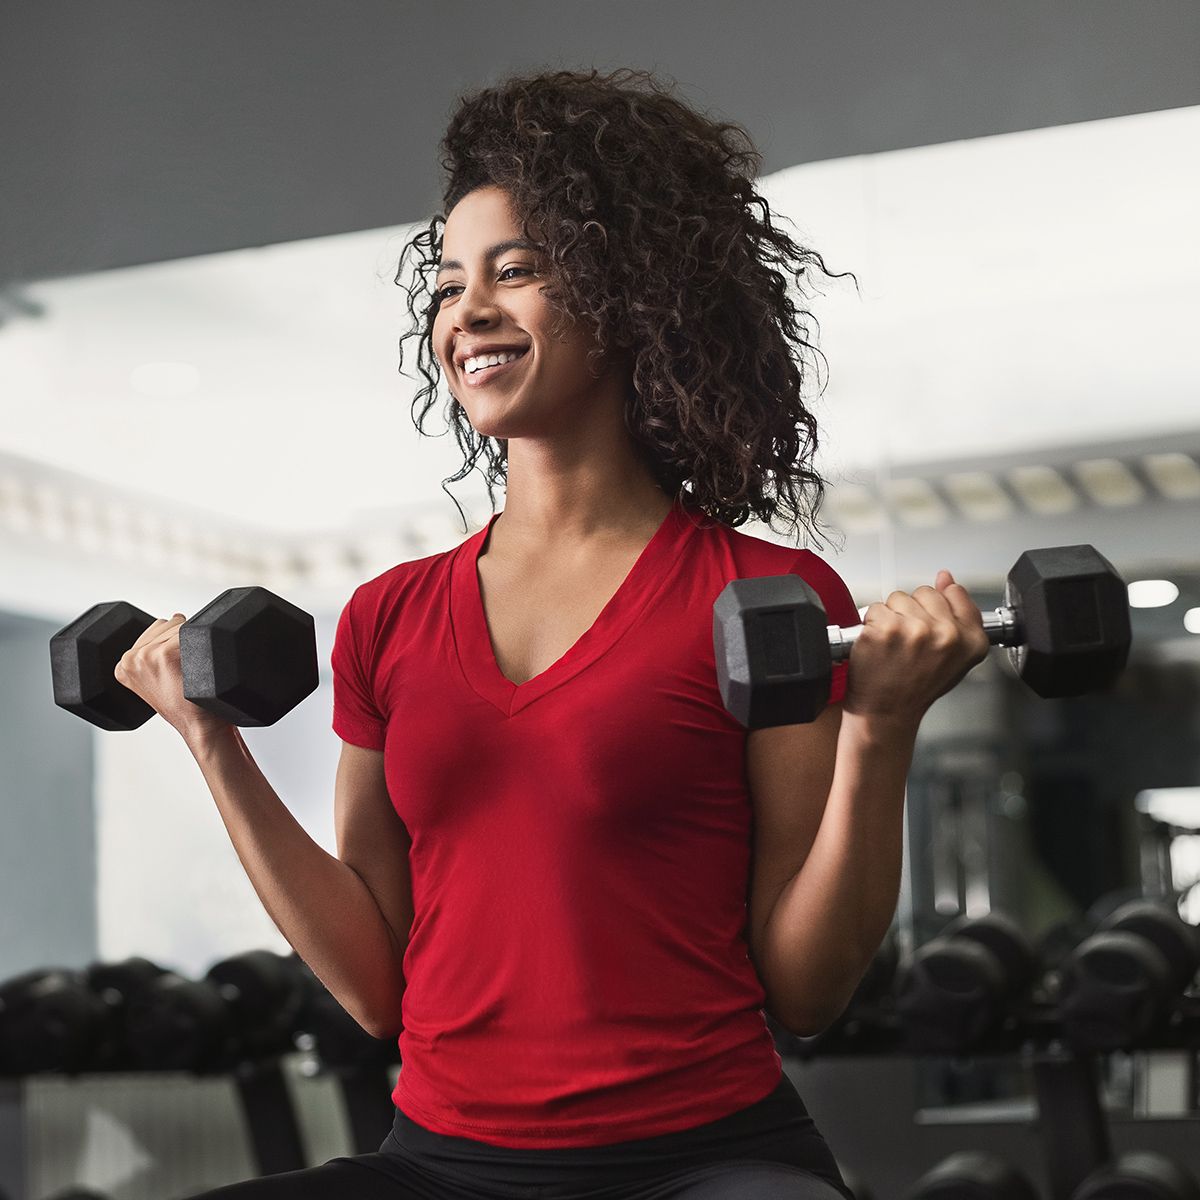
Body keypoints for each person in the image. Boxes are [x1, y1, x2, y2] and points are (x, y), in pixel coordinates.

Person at [119, 68, 989, 1199]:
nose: (466, 312)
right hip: (444, 1165)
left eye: (516, 271)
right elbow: (377, 981)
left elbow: (809, 989)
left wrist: (881, 729)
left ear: (632, 294)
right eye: (447, 285)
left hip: (703, 1161)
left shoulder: (765, 598)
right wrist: (210, 743)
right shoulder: (391, 615)